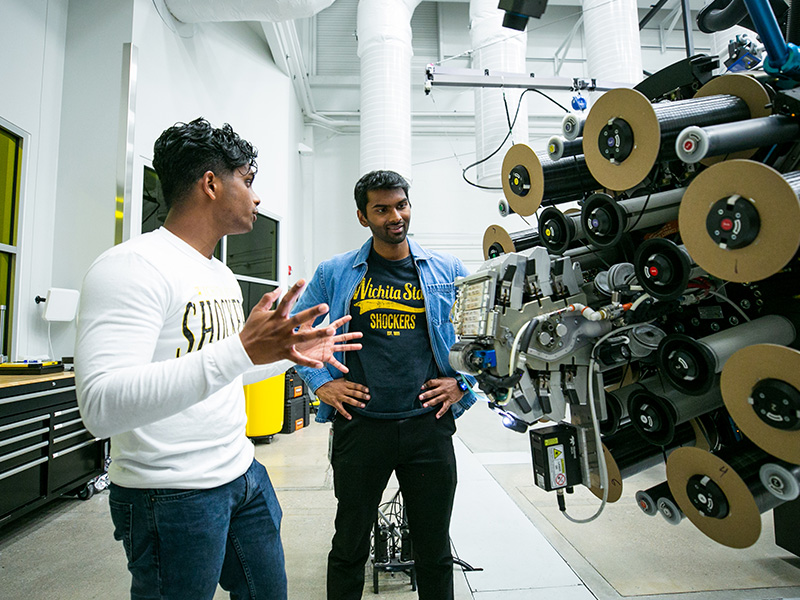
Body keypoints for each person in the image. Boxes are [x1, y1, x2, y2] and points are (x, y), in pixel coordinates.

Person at [74, 117, 362, 600]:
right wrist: (242, 349)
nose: (257, 197)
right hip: (169, 494)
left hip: (242, 476)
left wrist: (288, 355)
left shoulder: (221, 275)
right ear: (211, 183)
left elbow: (226, 371)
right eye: (247, 181)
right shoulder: (130, 268)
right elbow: (100, 407)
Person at [291, 170, 477, 600]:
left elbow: (484, 338)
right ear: (363, 216)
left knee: (434, 550)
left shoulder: (447, 270)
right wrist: (322, 384)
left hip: (427, 427)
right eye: (382, 209)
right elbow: (295, 334)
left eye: (401, 205)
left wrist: (462, 385)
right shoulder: (336, 272)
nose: (396, 216)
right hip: (362, 427)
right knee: (349, 545)